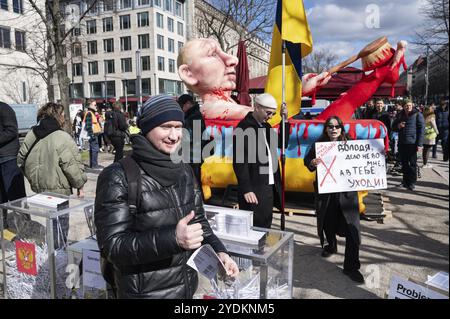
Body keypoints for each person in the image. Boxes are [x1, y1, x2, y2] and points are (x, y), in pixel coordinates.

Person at [94, 95, 239, 299]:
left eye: (178, 127)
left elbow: (198, 222)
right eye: (165, 126)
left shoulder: (185, 170)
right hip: (143, 293)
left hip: (186, 290)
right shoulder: (118, 176)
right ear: (147, 127)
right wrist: (174, 238)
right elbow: (113, 246)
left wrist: (220, 253)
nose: (174, 135)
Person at [178, 38, 331, 121]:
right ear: (188, 74)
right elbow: (268, 118)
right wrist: (298, 92)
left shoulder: (227, 105)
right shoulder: (213, 108)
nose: (232, 59)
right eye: (213, 54)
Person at [17, 102, 87, 248]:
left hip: (40, 187)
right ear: (57, 115)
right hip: (59, 188)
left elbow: (21, 159)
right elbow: (71, 165)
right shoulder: (62, 137)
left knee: (50, 220)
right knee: (60, 223)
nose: (64, 117)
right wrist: (80, 184)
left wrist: (33, 178)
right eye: (62, 114)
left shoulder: (32, 133)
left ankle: (52, 249)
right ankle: (58, 254)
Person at [304, 116, 364, 284]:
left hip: (347, 193)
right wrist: (312, 162)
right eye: (330, 126)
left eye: (337, 126)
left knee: (353, 230)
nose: (333, 129)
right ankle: (331, 245)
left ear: (341, 128)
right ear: (326, 129)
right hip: (327, 192)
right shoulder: (319, 145)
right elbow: (306, 161)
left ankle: (351, 267)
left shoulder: (350, 144)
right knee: (328, 223)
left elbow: (363, 160)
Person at [232, 93, 289, 229]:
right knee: (254, 227)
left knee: (265, 224)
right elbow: (239, 162)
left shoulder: (266, 127)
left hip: (268, 185)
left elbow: (282, 143)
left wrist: (285, 121)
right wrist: (246, 189)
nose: (270, 117)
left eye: (273, 114)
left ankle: (262, 250)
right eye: (268, 113)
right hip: (254, 186)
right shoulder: (244, 128)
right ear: (256, 107)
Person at [0, 101, 27, 230]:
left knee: (16, 198)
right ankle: (3, 231)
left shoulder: (4, 108)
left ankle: (25, 232)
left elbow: (12, 131)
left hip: (9, 158)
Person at [392, 100, 425, 191]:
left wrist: (419, 144)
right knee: (404, 163)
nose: (408, 107)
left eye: (410, 105)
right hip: (402, 143)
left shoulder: (417, 114)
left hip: (412, 143)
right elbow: (393, 127)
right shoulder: (400, 115)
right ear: (403, 106)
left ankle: (412, 182)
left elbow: (421, 130)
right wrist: (398, 126)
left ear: (412, 106)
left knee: (412, 164)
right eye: (406, 105)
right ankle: (405, 181)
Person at [178, 93, 207, 186]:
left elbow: (193, 136)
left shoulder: (195, 116)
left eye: (181, 105)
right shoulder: (192, 115)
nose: (181, 108)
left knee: (194, 179)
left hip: (193, 154)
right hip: (193, 153)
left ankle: (197, 198)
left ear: (187, 103)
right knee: (193, 178)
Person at [83, 99, 102, 169]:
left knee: (94, 149)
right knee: (94, 149)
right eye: (95, 105)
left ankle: (93, 164)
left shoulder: (92, 113)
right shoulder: (89, 113)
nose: (96, 106)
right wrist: (92, 135)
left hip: (95, 134)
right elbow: (88, 126)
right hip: (93, 134)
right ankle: (94, 165)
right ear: (90, 105)